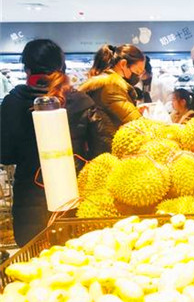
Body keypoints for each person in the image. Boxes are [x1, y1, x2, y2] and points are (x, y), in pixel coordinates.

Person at [0, 39, 106, 246]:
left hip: (29, 200)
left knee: (34, 261)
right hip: (73, 198)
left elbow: (5, 154)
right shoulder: (82, 101)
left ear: (27, 69)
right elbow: (102, 150)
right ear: (61, 66)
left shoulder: (13, 102)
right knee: (75, 256)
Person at [79, 44, 143, 152]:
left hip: (101, 148)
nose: (138, 77)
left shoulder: (104, 83)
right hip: (109, 150)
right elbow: (138, 124)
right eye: (137, 72)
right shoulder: (111, 86)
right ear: (123, 64)